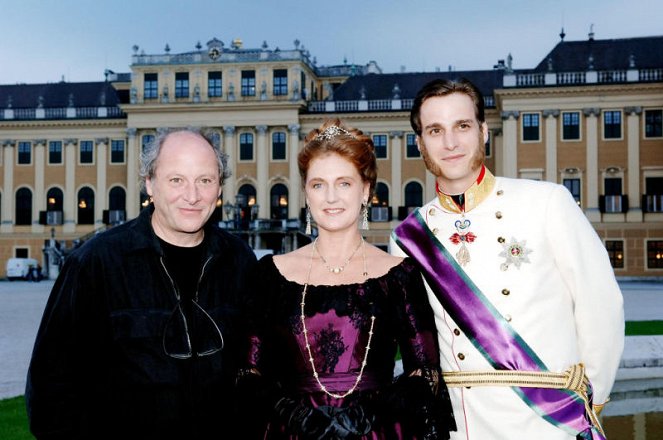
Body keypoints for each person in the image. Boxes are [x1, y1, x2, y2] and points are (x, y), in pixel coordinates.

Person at [390, 78, 624, 440]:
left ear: (484, 132)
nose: (450, 143)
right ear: (420, 143)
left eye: (462, 126)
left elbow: (601, 305)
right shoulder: (406, 238)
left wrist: (589, 405)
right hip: (463, 428)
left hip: (549, 423)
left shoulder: (547, 202)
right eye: (435, 131)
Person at [26, 127, 256, 439]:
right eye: (176, 180)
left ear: (219, 189)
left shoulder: (240, 261)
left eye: (205, 180)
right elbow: (50, 391)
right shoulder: (95, 263)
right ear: (149, 183)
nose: (192, 195)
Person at [239, 119, 456, 439]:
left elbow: (424, 374)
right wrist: (294, 414)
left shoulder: (399, 275)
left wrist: (368, 414)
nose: (330, 197)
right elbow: (247, 373)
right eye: (318, 184)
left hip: (376, 433)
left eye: (344, 183)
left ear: (366, 190)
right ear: (306, 194)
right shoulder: (270, 274)